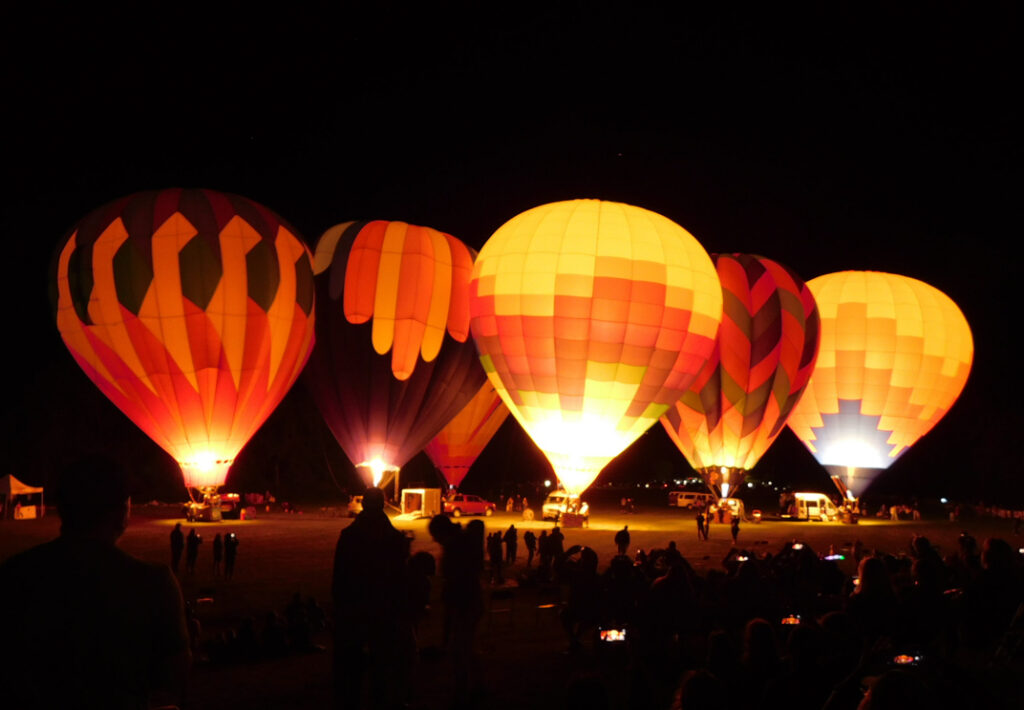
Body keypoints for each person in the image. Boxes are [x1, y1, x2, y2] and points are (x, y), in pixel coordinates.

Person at [0, 455, 190, 709]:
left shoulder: (14, 574)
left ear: (64, 510)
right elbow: (172, 675)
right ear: (122, 512)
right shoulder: (153, 583)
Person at [333, 487, 411, 710]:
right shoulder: (394, 539)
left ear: (364, 505)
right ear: (384, 504)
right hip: (384, 610)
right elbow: (400, 578)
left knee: (352, 667)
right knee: (383, 664)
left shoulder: (349, 537)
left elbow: (340, 577)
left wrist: (340, 608)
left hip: (355, 609)